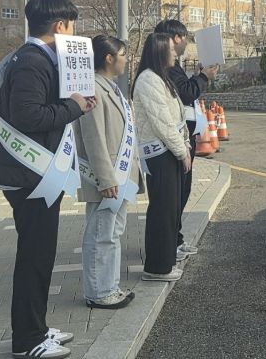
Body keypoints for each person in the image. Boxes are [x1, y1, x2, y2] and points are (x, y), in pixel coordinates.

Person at [0, 0, 96, 359]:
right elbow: (28, 116)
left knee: (39, 254)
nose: (73, 32)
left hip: (34, 174)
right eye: (72, 25)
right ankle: (28, 340)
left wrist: (75, 104)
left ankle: (36, 327)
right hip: (31, 176)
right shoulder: (32, 62)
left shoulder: (29, 58)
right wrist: (73, 106)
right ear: (60, 26)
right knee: (35, 257)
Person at [74, 35, 144, 309]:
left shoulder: (111, 88)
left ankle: (110, 287)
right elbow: (93, 137)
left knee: (113, 233)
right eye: (123, 55)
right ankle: (99, 292)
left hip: (120, 176)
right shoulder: (91, 88)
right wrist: (105, 178)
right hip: (107, 178)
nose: (126, 60)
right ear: (108, 57)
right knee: (101, 234)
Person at [154, 19, 218, 261]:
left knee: (181, 192)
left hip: (184, 139)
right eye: (184, 38)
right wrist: (203, 77)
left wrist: (198, 76)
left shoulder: (172, 67)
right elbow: (186, 93)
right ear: (175, 38)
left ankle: (176, 239)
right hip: (174, 143)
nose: (185, 44)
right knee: (173, 197)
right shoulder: (166, 68)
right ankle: (169, 245)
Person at [132, 32, 191, 282]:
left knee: (170, 208)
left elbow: (177, 118)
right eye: (171, 49)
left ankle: (165, 262)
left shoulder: (160, 77)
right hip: (159, 154)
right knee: (162, 210)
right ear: (159, 52)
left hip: (169, 152)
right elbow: (163, 123)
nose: (175, 53)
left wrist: (184, 145)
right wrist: (182, 151)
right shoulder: (148, 80)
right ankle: (157, 267)